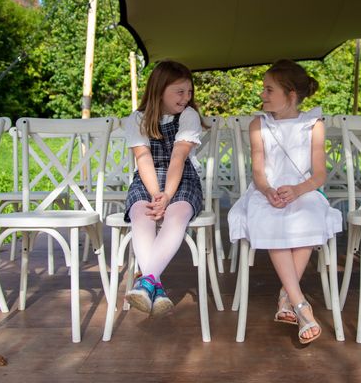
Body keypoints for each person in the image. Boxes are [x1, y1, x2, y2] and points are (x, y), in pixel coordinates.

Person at [228, 59, 343, 344]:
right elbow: (258, 171)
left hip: (304, 190)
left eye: (269, 90)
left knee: (309, 216)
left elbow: (318, 175)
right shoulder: (258, 124)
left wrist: (298, 189)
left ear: (291, 94)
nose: (262, 95)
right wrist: (268, 191)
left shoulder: (313, 124)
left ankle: (286, 296)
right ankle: (301, 304)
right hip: (266, 191)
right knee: (271, 219)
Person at [123, 60, 204, 317]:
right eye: (179, 92)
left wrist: (167, 195)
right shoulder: (137, 119)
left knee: (177, 215)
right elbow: (143, 159)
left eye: (189, 92)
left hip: (182, 180)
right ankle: (154, 285)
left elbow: (178, 158)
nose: (186, 97)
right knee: (141, 213)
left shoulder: (188, 115)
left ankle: (145, 281)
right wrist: (156, 195)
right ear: (159, 91)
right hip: (147, 180)